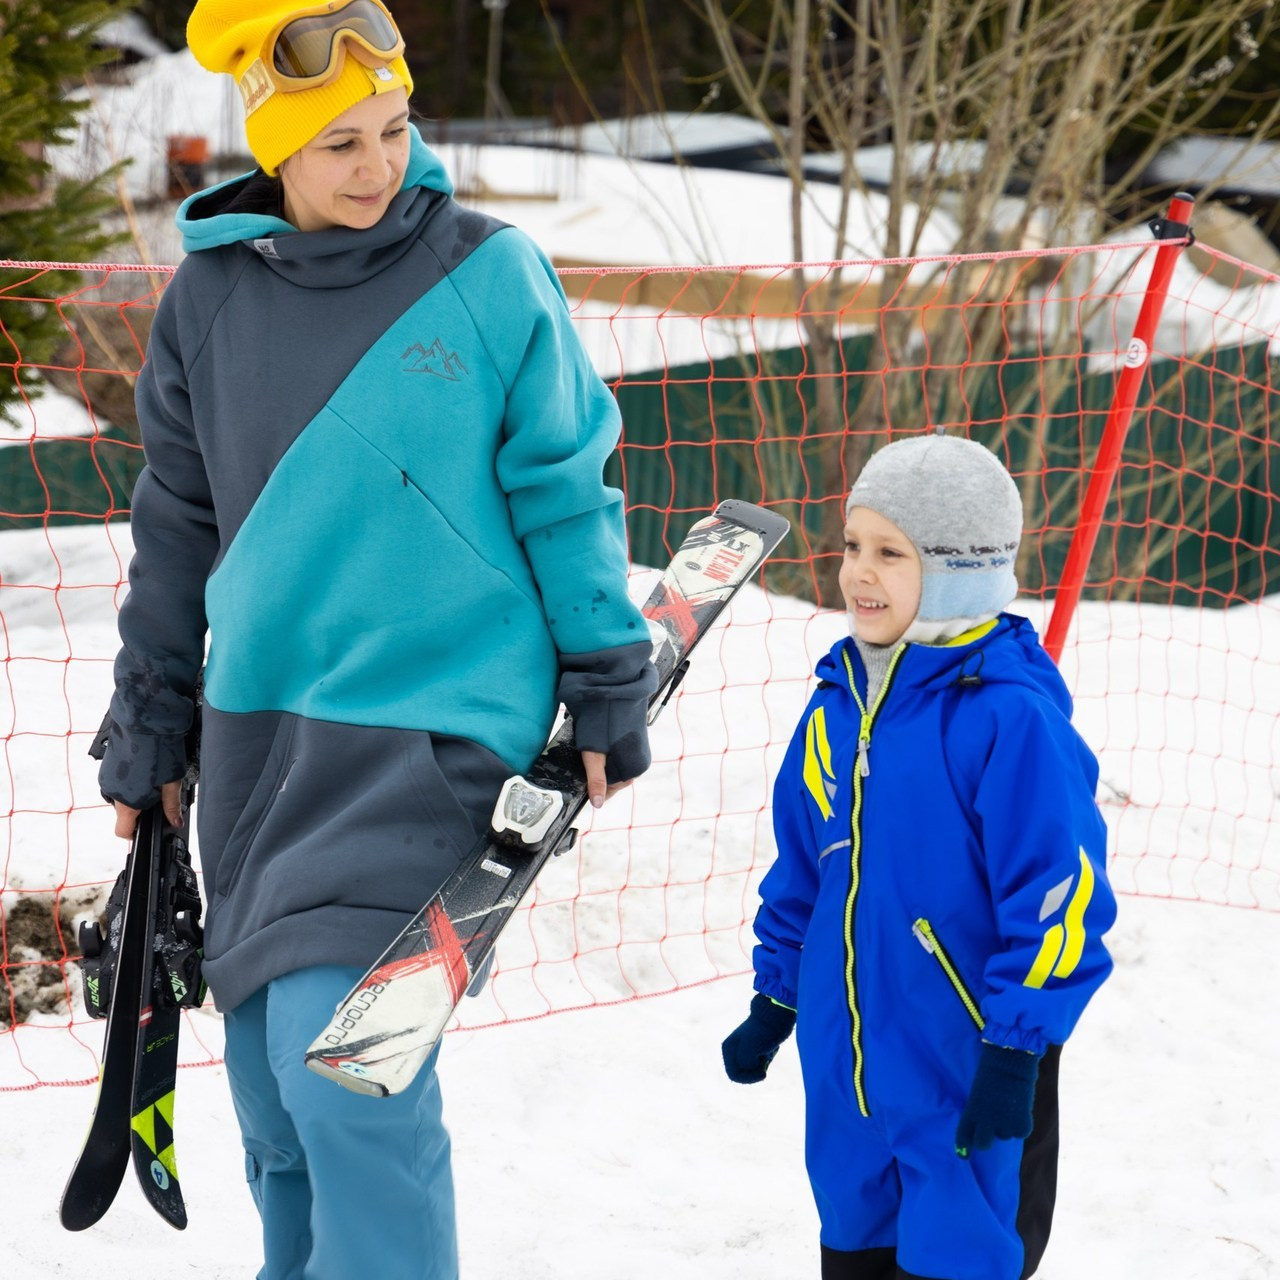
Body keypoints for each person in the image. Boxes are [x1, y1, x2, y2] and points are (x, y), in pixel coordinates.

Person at [97, 1, 656, 1276]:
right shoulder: (207, 306)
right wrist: (151, 723)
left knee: (345, 1070)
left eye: (395, 129)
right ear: (275, 146)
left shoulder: (486, 271)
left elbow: (564, 486)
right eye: (340, 141)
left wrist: (604, 665)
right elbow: (177, 527)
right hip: (262, 740)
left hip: (436, 726)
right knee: (271, 1099)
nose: (377, 164)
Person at [721, 431, 1117, 1280]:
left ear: (957, 567)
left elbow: (1059, 894)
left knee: (959, 1256)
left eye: (890, 553)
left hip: (969, 1062)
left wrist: (1017, 1047)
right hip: (850, 1072)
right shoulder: (836, 708)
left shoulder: (1008, 719)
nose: (859, 571)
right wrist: (777, 995)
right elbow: (805, 869)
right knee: (857, 1249)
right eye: (852, 546)